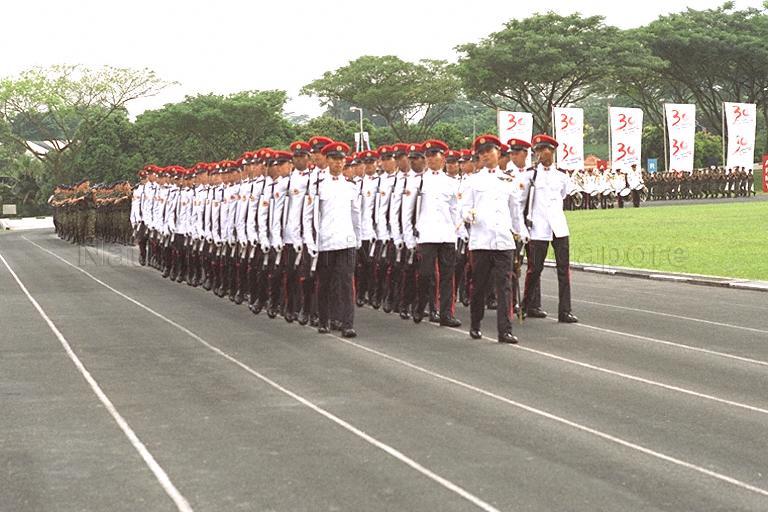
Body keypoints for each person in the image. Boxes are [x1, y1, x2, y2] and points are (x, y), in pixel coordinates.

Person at [462, 135, 526, 343]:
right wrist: (468, 215)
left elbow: (515, 211)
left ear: (498, 153)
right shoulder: (472, 181)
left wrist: (521, 232)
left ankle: (504, 330)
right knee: (479, 285)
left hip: (503, 240)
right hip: (481, 240)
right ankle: (475, 322)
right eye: (482, 153)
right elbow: (463, 208)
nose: (486, 155)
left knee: (504, 286)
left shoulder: (509, 180)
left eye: (490, 151)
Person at [303, 141, 361, 338]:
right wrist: (311, 241)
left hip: (346, 241)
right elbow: (309, 215)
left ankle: (347, 323)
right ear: (327, 161)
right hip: (326, 242)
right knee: (325, 283)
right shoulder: (318, 186)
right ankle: (324, 320)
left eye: (341, 160)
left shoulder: (351, 186)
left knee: (346, 283)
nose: (338, 163)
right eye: (334, 159)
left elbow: (356, 215)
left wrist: (357, 238)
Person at [518, 134, 578, 324]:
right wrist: (523, 229)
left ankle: (565, 311)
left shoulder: (561, 177)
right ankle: (526, 305)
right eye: (537, 150)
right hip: (538, 227)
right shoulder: (530, 176)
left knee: (564, 270)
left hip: (559, 227)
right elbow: (520, 204)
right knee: (535, 270)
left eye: (544, 150)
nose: (541, 154)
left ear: (552, 151)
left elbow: (563, 196)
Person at [401, 139, 462, 327]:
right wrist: (408, 238)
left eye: (435, 155)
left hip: (446, 235)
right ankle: (420, 305)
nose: (431, 159)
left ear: (443, 158)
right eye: (428, 156)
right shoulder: (417, 182)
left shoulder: (451, 183)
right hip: (426, 234)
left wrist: (458, 232)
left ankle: (446, 314)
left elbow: (455, 210)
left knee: (447, 277)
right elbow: (407, 212)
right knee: (426, 275)